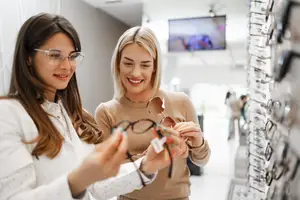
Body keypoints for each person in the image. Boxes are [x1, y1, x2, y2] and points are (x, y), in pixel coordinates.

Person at [0, 13, 184, 200]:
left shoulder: (65, 112)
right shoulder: (9, 113)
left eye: (72, 56)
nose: (66, 66)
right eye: (55, 55)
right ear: (28, 57)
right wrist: (76, 182)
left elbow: (94, 186)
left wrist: (145, 166)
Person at [95, 26, 211, 200]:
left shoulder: (181, 102)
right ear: (117, 64)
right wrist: (150, 156)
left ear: (155, 67)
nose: (135, 73)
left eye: (145, 65)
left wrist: (198, 142)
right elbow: (107, 177)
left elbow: (201, 160)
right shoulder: (106, 112)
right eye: (128, 63)